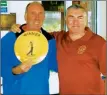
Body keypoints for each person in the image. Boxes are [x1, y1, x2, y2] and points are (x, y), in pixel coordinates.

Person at [11, 4, 106, 94]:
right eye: (71, 17)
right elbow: (36, 34)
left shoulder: (99, 43)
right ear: (65, 19)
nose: (75, 22)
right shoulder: (58, 38)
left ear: (86, 20)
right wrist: (18, 29)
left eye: (80, 18)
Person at [1, 2, 58, 95]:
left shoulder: (49, 41)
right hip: (15, 92)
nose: (37, 17)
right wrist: (16, 70)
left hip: (41, 91)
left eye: (40, 13)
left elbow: (57, 65)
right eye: (33, 13)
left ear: (44, 17)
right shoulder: (11, 37)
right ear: (25, 16)